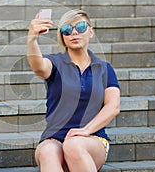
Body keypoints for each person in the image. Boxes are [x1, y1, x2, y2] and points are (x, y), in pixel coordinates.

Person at [27, 9, 120, 172]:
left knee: (73, 145)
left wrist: (85, 131)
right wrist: (32, 38)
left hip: (91, 139)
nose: (74, 32)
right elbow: (38, 68)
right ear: (63, 37)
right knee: (48, 151)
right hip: (54, 139)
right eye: (67, 30)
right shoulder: (55, 63)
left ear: (91, 31)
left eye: (81, 27)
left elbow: (113, 107)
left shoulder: (104, 69)